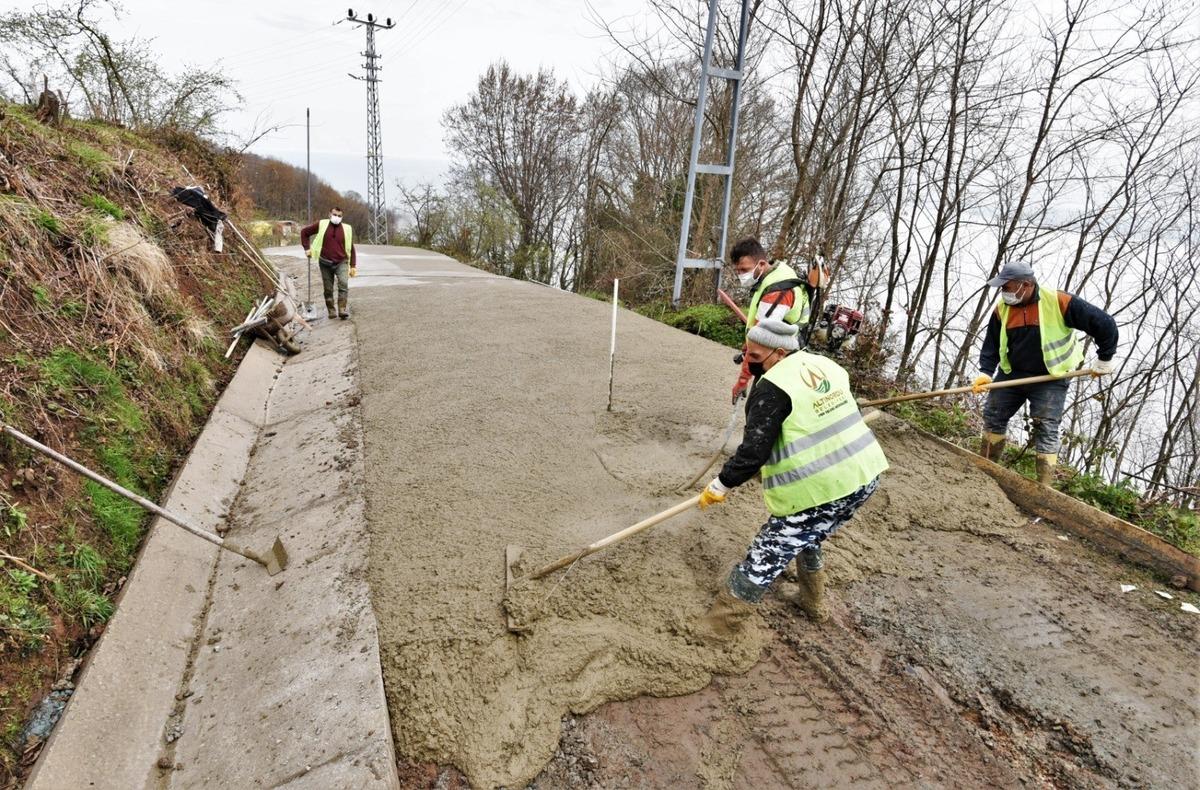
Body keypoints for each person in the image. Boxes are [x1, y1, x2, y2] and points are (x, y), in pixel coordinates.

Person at [696, 317, 888, 638]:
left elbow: (753, 453)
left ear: (781, 353)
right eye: (746, 354)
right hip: (864, 474)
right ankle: (813, 603)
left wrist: (720, 485)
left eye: (755, 358)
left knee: (767, 551)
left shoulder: (772, 389)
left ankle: (717, 628)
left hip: (824, 485)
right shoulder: (826, 365)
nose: (747, 362)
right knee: (809, 532)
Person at [971, 261, 1119, 485]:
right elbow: (991, 344)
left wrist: (1105, 358)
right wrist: (985, 372)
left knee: (1045, 426)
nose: (1003, 293)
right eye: (1002, 289)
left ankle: (1044, 487)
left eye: (1007, 288)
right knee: (993, 416)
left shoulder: (1059, 301)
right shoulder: (1002, 309)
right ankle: (985, 471)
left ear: (1027, 285)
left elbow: (1105, 324)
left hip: (1051, 377)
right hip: (1012, 374)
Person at [728, 237, 826, 404]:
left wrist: (742, 381)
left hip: (778, 360)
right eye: (738, 271)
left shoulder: (776, 293)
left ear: (761, 264)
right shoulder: (780, 271)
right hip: (785, 350)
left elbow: (760, 344)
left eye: (744, 270)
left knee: (759, 411)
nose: (741, 275)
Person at [300, 207, 357, 319]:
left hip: (342, 262)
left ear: (342, 217)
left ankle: (342, 309)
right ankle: (331, 310)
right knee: (328, 288)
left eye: (339, 216)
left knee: (343, 284)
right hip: (325, 262)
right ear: (329, 214)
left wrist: (353, 265)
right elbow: (304, 232)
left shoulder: (347, 229)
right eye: (335, 214)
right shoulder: (322, 224)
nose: (337, 217)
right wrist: (307, 248)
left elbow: (351, 247)